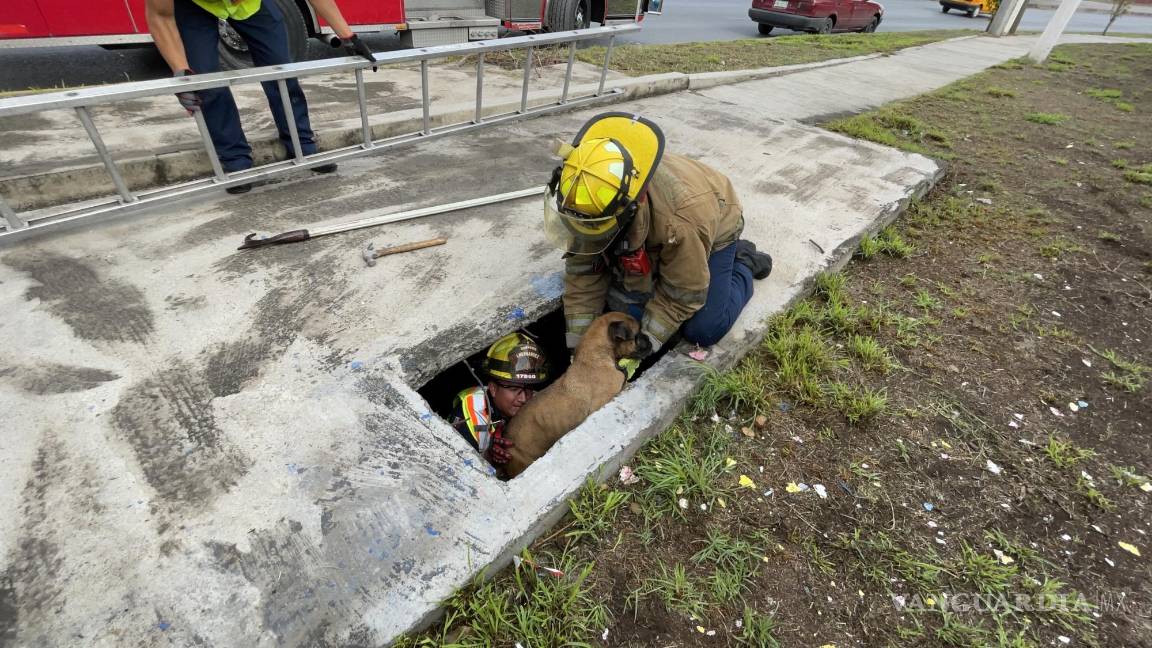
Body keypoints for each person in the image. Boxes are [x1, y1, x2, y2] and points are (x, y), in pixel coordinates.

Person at [544, 112, 774, 354]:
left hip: (717, 220)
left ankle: (744, 260)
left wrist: (644, 346)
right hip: (668, 217)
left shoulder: (680, 223)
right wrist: (578, 347)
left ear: (634, 203)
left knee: (704, 329)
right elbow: (583, 273)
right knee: (626, 296)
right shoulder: (587, 197)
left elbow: (683, 295)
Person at [145, 0, 377, 193]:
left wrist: (348, 36)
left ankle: (301, 143)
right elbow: (160, 16)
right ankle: (235, 160)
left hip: (253, 4)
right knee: (205, 82)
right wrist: (181, 73)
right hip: (195, 6)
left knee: (282, 71)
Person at [452, 332, 550, 466]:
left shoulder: (535, 399)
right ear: (492, 389)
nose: (523, 398)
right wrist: (488, 455)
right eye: (514, 389)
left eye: (528, 389)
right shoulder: (473, 410)